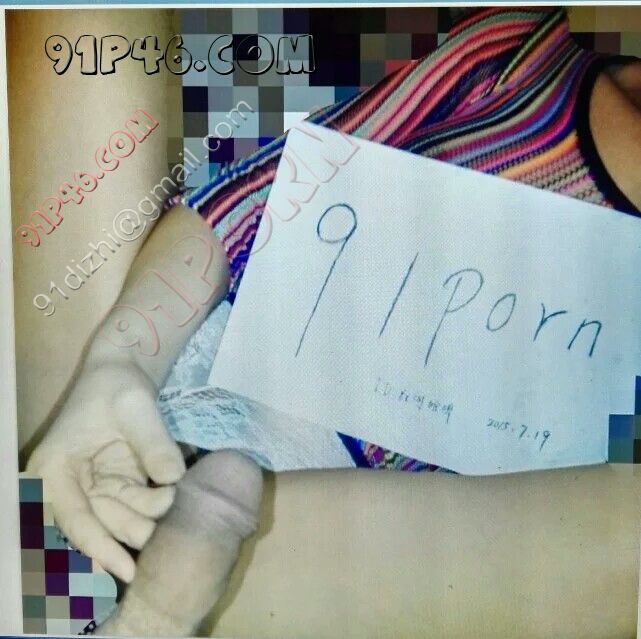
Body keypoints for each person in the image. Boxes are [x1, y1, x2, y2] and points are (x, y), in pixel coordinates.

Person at [13, 7, 641, 638]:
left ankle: (118, 596)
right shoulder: (522, 48)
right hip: (150, 362)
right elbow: (262, 192)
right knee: (87, 27)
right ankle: (74, 548)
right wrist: (118, 361)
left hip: (319, 549)